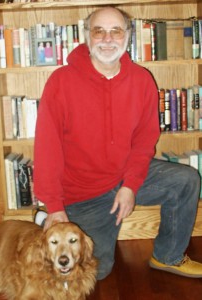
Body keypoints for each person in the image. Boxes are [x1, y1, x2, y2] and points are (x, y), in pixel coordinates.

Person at [33, 6, 202, 280]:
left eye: (116, 31)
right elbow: (47, 149)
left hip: (125, 178)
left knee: (186, 179)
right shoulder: (61, 83)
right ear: (87, 36)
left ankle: (168, 256)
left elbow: (145, 141)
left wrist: (130, 186)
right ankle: (43, 220)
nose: (108, 39)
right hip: (84, 194)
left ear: (128, 36)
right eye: (99, 31)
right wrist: (54, 206)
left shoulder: (141, 80)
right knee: (95, 272)